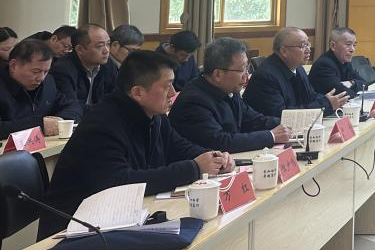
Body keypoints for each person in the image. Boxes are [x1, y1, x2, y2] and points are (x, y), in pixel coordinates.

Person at [42, 50, 233, 237]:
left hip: (123, 217)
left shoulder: (154, 115)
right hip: (75, 228)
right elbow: (121, 182)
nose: (173, 93)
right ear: (138, 92)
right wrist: (194, 168)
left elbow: (179, 147)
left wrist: (214, 158)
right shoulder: (102, 124)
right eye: (167, 86)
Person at [170, 37, 292, 152]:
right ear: (218, 74)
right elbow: (220, 142)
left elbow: (252, 119)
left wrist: (289, 123)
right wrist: (271, 136)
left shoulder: (230, 89)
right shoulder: (194, 101)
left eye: (247, 68)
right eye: (242, 70)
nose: (246, 75)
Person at [243, 27, 348, 119]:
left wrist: (331, 100)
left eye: (308, 44)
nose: (308, 50)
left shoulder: (298, 68)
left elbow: (310, 96)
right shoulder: (266, 77)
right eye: (303, 45)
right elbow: (282, 115)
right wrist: (325, 105)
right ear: (284, 51)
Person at [0, 38, 82, 138]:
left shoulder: (48, 83)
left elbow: (72, 106)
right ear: (13, 65)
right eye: (35, 72)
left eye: (46, 72)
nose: (41, 78)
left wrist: (61, 121)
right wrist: (40, 125)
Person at [49, 24, 117, 115]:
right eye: (100, 46)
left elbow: (117, 97)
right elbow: (71, 106)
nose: (106, 50)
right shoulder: (62, 69)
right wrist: (104, 111)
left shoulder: (107, 65)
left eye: (108, 44)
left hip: (100, 117)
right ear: (80, 49)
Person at [309, 27, 369, 98]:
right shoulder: (324, 65)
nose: (352, 49)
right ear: (333, 46)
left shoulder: (345, 62)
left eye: (354, 45)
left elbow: (364, 84)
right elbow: (343, 94)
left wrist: (351, 83)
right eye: (348, 44)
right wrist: (357, 90)